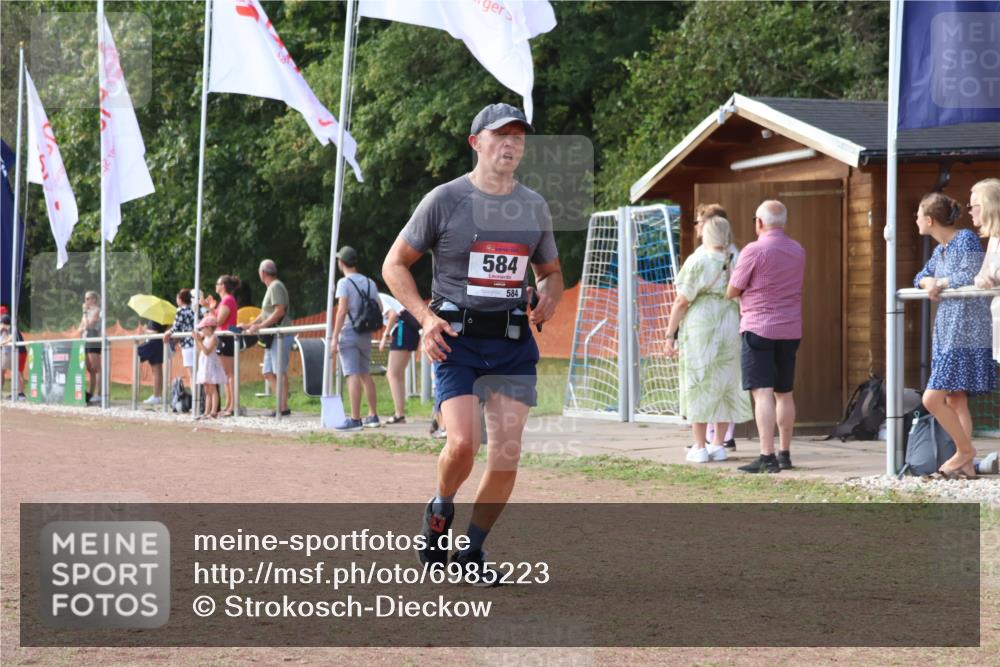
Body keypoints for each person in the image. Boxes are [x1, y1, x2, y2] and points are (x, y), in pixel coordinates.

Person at [383, 102, 562, 580]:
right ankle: (440, 509)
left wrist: (549, 296)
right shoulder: (444, 199)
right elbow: (394, 265)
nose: (510, 144)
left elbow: (550, 273)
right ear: (475, 143)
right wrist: (423, 318)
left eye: (518, 137)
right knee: (463, 443)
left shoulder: (534, 206)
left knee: (506, 454)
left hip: (511, 341)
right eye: (500, 135)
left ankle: (472, 553)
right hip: (455, 340)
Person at [915, 192, 995, 479]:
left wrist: (942, 282)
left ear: (929, 220)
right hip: (946, 330)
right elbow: (920, 276)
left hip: (966, 330)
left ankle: (964, 451)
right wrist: (929, 281)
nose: (915, 221)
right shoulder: (941, 250)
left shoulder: (965, 240)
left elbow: (971, 274)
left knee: (931, 398)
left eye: (917, 216)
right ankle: (965, 467)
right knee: (954, 398)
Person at [726, 200, 805, 473]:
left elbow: (732, 289)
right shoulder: (798, 250)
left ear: (759, 223)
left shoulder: (753, 250)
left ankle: (766, 456)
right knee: (785, 393)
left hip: (758, 327)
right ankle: (785, 453)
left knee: (763, 393)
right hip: (791, 328)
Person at [666, 216, 752, 463]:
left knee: (698, 380)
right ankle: (719, 444)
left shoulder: (698, 260)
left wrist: (670, 334)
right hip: (729, 321)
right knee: (725, 381)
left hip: (701, 324)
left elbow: (682, 300)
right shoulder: (735, 258)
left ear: (706, 234)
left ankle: (699, 446)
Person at [694, 203, 739, 449]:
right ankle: (716, 436)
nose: (698, 227)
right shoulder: (723, 254)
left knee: (714, 378)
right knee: (718, 378)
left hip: (713, 325)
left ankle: (718, 437)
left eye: (701, 222)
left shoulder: (709, 256)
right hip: (726, 322)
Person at [331, 246, 381, 431]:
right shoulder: (370, 283)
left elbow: (342, 310)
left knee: (351, 374)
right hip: (366, 334)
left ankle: (355, 418)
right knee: (365, 373)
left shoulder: (344, 283)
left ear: (341, 262)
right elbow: (379, 306)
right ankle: (373, 415)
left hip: (350, 332)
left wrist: (334, 337)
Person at [244, 259, 292, 417]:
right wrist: (250, 324)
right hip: (272, 336)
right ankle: (281, 404)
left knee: (279, 371)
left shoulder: (276, 286)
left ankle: (283, 407)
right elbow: (266, 312)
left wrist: (260, 326)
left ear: (262, 273)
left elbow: (279, 311)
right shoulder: (272, 287)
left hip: (280, 335)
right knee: (268, 372)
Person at [378, 291, 422, 425]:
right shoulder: (378, 296)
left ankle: (399, 414)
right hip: (406, 330)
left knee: (392, 374)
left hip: (402, 329)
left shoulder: (378, 297)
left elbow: (393, 314)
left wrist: (384, 336)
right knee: (396, 374)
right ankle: (400, 413)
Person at [971, 179, 1000, 362]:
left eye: (974, 205)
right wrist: (982, 280)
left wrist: (994, 276)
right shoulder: (994, 239)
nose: (970, 211)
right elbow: (981, 275)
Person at [214, 274, 240, 417]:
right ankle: (229, 404)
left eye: (217, 284)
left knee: (229, 373)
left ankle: (232, 406)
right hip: (224, 337)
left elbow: (219, 321)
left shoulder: (227, 300)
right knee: (226, 374)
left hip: (226, 338)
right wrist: (209, 308)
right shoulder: (224, 300)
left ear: (223, 286)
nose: (216, 286)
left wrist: (209, 313)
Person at [194, 314, 226, 418]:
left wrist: (199, 341)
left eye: (202, 328)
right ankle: (206, 411)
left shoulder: (213, 338)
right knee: (206, 389)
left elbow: (207, 351)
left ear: (208, 328)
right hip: (204, 365)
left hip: (211, 365)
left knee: (212, 388)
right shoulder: (206, 338)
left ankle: (213, 411)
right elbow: (201, 350)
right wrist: (198, 341)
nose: (201, 331)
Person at [164, 289, 196, 390]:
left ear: (181, 299)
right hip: (198, 343)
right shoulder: (195, 309)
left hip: (187, 344)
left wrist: (169, 332)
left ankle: (196, 401)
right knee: (198, 374)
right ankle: (202, 400)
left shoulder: (181, 310)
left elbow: (176, 327)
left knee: (192, 375)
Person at [77, 291, 102, 405]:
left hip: (93, 337)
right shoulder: (86, 313)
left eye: (88, 299)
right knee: (89, 368)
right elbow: (81, 328)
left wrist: (85, 313)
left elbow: (89, 326)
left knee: (96, 367)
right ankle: (91, 393)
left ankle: (100, 393)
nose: (86, 301)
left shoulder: (96, 311)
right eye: (85, 299)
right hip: (85, 339)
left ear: (94, 300)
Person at [136, 319, 167, 405]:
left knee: (156, 372)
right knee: (157, 372)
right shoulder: (156, 318)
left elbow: (156, 332)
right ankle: (158, 395)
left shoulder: (157, 318)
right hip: (155, 343)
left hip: (155, 343)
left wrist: (145, 330)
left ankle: (157, 396)